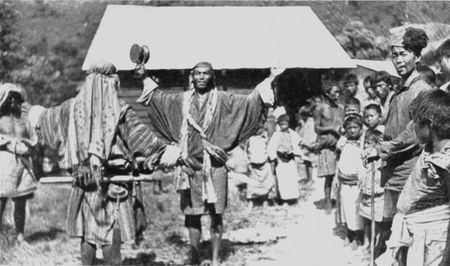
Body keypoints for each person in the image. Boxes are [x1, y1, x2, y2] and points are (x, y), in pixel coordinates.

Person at [136, 62, 285, 266]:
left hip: (214, 166)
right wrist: (144, 76)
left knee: (216, 214)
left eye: (206, 74)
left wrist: (270, 78)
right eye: (197, 74)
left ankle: (215, 259)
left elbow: (251, 101)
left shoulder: (224, 100)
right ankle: (195, 257)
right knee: (192, 215)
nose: (201, 77)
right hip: (189, 165)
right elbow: (158, 99)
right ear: (192, 76)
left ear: (212, 77)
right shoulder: (181, 100)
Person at [34, 62, 180, 265]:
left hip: (85, 180)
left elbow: (44, 121)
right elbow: (144, 140)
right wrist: (169, 155)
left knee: (89, 231)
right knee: (111, 229)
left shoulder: (70, 107)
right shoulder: (119, 110)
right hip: (113, 182)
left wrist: (31, 113)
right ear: (112, 81)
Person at [366, 26, 431, 258]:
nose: (399, 60)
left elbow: (413, 134)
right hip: (393, 172)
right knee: (392, 232)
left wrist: (382, 149)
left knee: (405, 238)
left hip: (410, 174)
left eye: (404, 54)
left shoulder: (421, 90)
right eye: (394, 55)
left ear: (417, 56)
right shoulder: (399, 91)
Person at [379, 90, 450, 266]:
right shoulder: (429, 149)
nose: (412, 127)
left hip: (434, 239)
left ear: (430, 125)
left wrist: (446, 259)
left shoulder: (445, 161)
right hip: (416, 232)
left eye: (416, 123)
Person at [0, 84, 38, 243]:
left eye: (16, 97)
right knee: (1, 200)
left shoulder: (24, 121)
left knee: (20, 201)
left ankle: (20, 236)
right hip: (4, 163)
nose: (13, 101)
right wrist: (10, 144)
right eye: (10, 98)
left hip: (22, 165)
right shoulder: (0, 119)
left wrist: (28, 145)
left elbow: (35, 138)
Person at [314, 83, 345, 214]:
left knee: (340, 173)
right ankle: (327, 201)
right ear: (327, 94)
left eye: (339, 92)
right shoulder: (320, 108)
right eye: (334, 92)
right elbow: (316, 128)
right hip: (325, 144)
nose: (337, 95)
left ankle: (338, 201)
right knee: (328, 175)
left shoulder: (341, 109)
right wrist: (331, 129)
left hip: (338, 143)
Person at [335, 115, 364, 249]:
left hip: (357, 182)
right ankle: (349, 233)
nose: (352, 131)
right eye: (349, 128)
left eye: (355, 127)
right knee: (346, 208)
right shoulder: (343, 141)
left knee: (356, 209)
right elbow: (339, 160)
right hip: (344, 180)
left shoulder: (363, 141)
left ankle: (358, 236)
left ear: (360, 128)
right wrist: (336, 177)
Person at [358, 129, 384, 254]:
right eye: (365, 143)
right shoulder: (364, 159)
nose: (366, 146)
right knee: (367, 220)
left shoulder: (379, 158)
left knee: (378, 222)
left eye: (370, 143)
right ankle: (366, 243)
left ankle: (376, 245)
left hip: (378, 195)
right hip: (366, 194)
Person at [268, 114, 302, 204]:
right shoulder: (276, 135)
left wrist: (294, 152)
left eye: (284, 124)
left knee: (291, 178)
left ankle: (293, 198)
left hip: (290, 159)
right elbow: (271, 147)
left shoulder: (293, 134)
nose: (283, 126)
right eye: (281, 124)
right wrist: (274, 157)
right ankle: (284, 200)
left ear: (288, 124)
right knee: (282, 179)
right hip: (280, 160)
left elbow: (297, 145)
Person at [245, 127, 275, 207]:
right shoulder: (250, 140)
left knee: (266, 183)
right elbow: (246, 151)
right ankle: (251, 201)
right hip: (253, 165)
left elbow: (269, 150)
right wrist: (248, 162)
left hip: (264, 164)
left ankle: (265, 200)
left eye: (261, 130)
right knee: (252, 184)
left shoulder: (265, 139)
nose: (259, 131)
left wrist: (271, 160)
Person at [297, 105, 317, 183]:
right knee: (306, 162)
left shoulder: (310, 123)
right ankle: (309, 178)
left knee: (310, 162)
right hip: (306, 144)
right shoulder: (305, 123)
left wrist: (308, 144)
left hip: (309, 145)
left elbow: (311, 135)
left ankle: (311, 178)